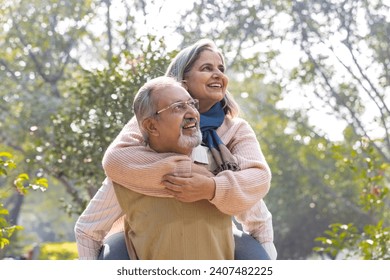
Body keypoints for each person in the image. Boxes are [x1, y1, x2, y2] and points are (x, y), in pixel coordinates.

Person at [75, 39, 276, 260]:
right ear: (182, 80)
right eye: (206, 68)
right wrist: (187, 172)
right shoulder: (151, 121)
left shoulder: (235, 129)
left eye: (221, 68)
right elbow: (115, 161)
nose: (218, 74)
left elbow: (257, 183)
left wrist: (211, 186)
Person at [112, 76, 234, 259]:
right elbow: (88, 230)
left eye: (192, 104)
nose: (192, 113)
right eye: (178, 107)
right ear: (151, 126)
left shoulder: (221, 164)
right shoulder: (128, 172)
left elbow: (259, 220)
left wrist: (212, 187)